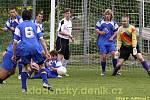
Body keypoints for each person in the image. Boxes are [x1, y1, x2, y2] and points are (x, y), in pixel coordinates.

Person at [12, 9, 53, 92]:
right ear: (30, 17)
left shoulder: (19, 26)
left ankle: (24, 88)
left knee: (24, 67)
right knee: (41, 65)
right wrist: (46, 52)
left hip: (25, 48)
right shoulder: (35, 25)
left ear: (22, 17)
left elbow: (15, 42)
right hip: (35, 47)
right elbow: (41, 39)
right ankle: (45, 82)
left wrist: (14, 54)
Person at [0, 5, 23, 79]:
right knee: (5, 55)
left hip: (21, 41)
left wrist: (15, 28)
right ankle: (7, 74)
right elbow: (7, 28)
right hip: (15, 41)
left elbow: (22, 28)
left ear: (16, 12)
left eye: (13, 12)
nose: (12, 13)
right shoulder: (9, 20)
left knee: (18, 58)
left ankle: (19, 73)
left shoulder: (20, 19)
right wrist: (2, 29)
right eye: (11, 12)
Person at [95, 9, 119, 76]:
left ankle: (115, 70)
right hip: (102, 41)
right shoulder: (100, 22)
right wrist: (101, 32)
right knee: (104, 56)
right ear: (104, 15)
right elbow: (96, 29)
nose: (107, 15)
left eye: (109, 14)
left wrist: (112, 37)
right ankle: (103, 71)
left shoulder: (114, 23)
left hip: (110, 42)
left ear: (111, 15)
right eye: (106, 14)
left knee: (114, 54)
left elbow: (116, 32)